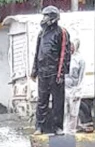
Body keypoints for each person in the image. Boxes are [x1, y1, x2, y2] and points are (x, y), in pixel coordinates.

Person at [31, 6, 70, 135]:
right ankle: (39, 126)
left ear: (53, 18)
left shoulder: (62, 32)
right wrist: (34, 70)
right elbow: (38, 52)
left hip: (55, 72)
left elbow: (64, 54)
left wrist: (61, 73)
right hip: (43, 72)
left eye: (46, 16)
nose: (44, 19)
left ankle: (57, 127)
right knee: (42, 100)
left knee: (58, 101)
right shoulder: (41, 33)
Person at [64, 38, 85, 134]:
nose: (71, 48)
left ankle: (72, 131)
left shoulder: (80, 60)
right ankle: (65, 131)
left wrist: (78, 91)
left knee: (73, 112)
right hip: (64, 88)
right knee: (65, 111)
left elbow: (81, 77)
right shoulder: (64, 57)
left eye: (73, 45)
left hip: (74, 89)